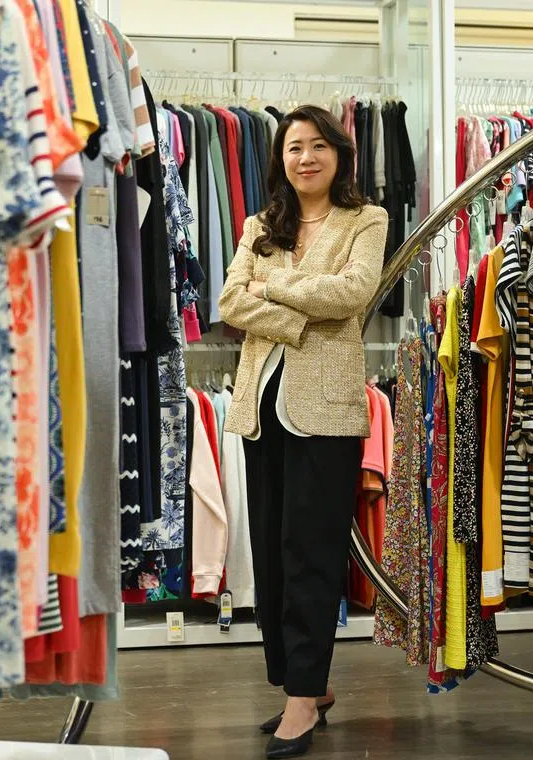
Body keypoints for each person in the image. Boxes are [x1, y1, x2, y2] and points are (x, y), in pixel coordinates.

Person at [218, 105, 389, 759]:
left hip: (327, 410)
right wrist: (294, 307)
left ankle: (301, 700)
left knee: (311, 556)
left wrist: (277, 285)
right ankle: (301, 683)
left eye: (319, 146)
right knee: (271, 552)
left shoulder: (365, 220)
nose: (307, 157)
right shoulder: (261, 224)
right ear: (280, 160)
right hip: (261, 408)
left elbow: (353, 293)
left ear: (339, 155)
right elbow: (231, 302)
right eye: (295, 148)